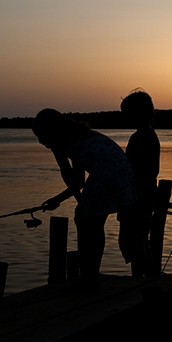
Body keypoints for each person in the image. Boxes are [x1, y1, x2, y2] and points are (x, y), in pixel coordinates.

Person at [33, 108, 136, 291]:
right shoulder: (78, 135)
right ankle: (91, 276)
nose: (41, 141)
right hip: (122, 171)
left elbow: (69, 176)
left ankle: (88, 278)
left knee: (85, 220)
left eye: (41, 135)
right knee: (93, 222)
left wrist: (73, 200)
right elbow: (79, 182)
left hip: (106, 171)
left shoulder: (59, 141)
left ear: (50, 130)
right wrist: (62, 199)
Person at [117, 89, 161, 276]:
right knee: (139, 242)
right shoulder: (149, 135)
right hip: (145, 196)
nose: (125, 118)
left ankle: (141, 282)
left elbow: (134, 170)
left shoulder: (140, 137)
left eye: (127, 114)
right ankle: (145, 280)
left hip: (138, 198)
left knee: (134, 243)